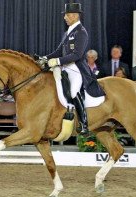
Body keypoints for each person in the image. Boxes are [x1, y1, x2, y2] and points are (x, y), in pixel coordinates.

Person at [44, 2, 105, 136]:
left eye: (67, 15)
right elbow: (59, 51)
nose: (65, 18)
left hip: (77, 68)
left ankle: (84, 124)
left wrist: (58, 61)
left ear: (75, 16)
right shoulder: (67, 33)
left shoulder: (81, 32)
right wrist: (44, 58)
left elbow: (77, 55)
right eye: (65, 15)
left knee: (73, 92)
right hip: (66, 67)